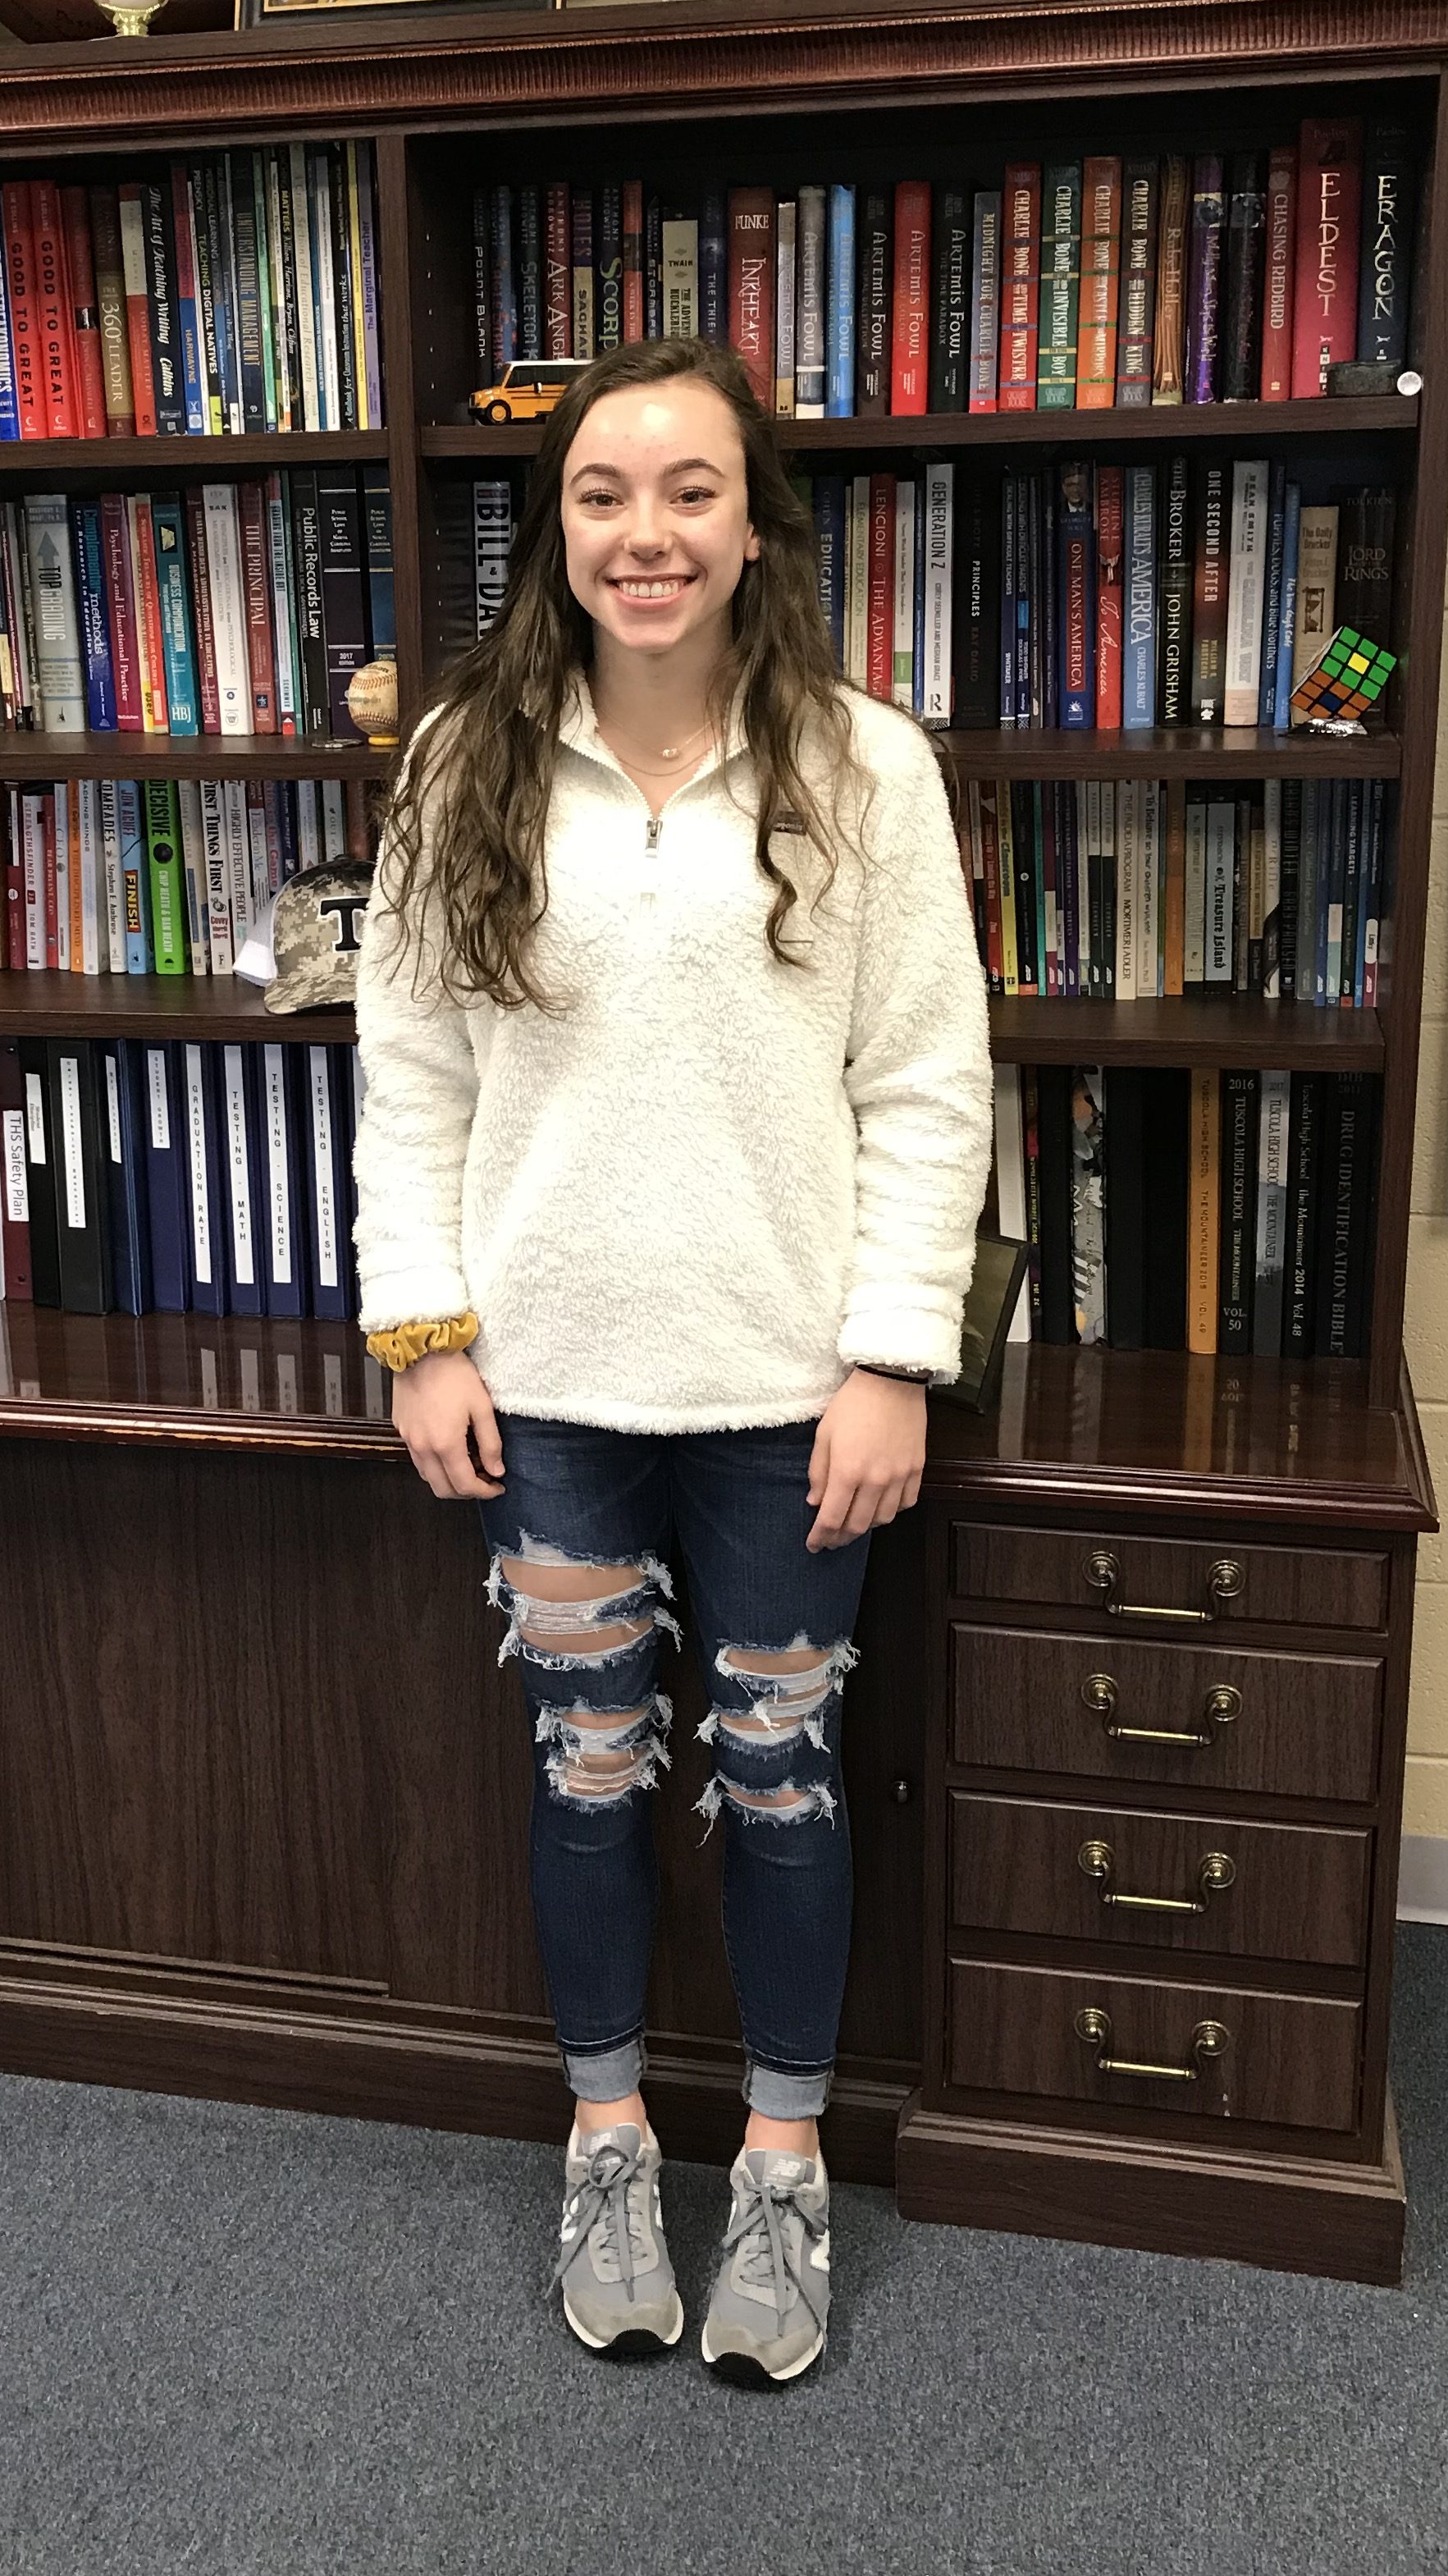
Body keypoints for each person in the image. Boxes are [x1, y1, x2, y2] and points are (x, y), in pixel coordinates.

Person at [352, 336, 992, 2384]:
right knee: (589, 1772)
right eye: (605, 493)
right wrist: (422, 1335)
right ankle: (609, 2139)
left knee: (783, 1782)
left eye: (691, 491)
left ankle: (783, 2167)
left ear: (753, 525)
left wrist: (891, 1357)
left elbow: (926, 1087)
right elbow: (409, 1079)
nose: (648, 534)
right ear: (557, 530)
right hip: (547, 1391)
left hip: (790, 1396)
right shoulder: (461, 761)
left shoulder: (864, 769)